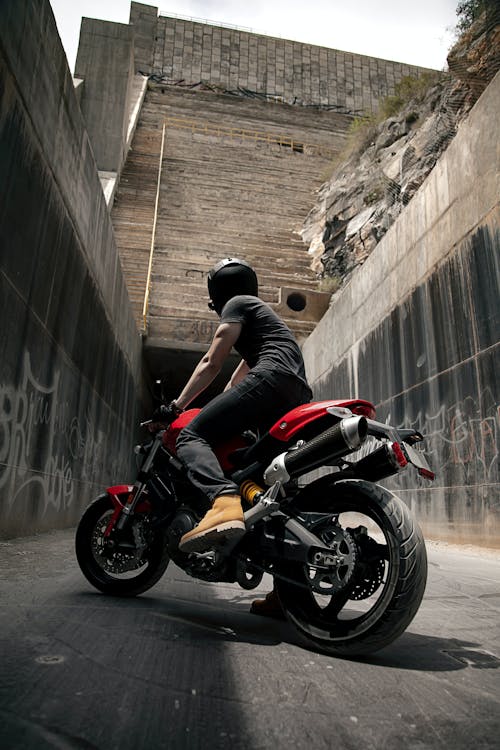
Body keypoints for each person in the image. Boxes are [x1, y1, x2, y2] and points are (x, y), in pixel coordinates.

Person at [157, 258, 311, 615]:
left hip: (272, 380)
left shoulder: (236, 305)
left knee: (192, 437)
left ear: (217, 293)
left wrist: (178, 406)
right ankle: (288, 597)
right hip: (295, 393)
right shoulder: (264, 323)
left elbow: (212, 362)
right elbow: (234, 383)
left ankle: (223, 503)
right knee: (276, 492)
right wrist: (221, 410)